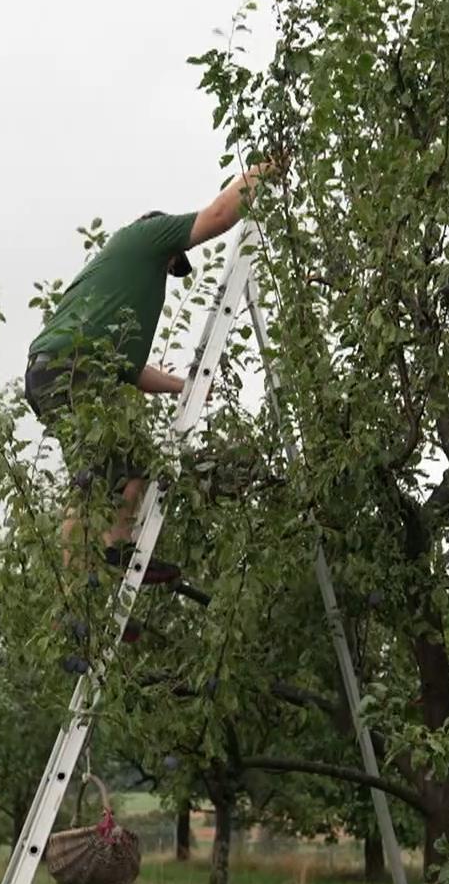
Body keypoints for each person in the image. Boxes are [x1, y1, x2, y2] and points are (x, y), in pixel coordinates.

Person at [23, 163, 271, 584]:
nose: (170, 270)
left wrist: (185, 387)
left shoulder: (116, 292)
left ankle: (87, 584)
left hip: (54, 372)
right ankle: (110, 554)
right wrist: (265, 169)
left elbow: (133, 372)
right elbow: (217, 217)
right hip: (74, 368)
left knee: (108, 473)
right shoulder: (144, 236)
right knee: (125, 465)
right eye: (174, 261)